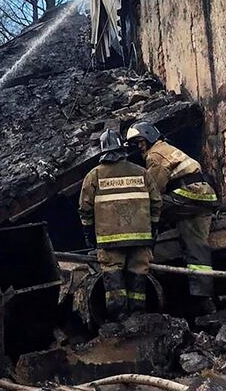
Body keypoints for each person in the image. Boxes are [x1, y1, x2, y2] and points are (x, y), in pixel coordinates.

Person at [125, 121, 219, 314]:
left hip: (189, 195)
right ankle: (203, 299)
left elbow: (153, 191)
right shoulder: (166, 149)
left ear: (150, 136)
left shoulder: (155, 155)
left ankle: (142, 247)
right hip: (203, 197)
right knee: (196, 247)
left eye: (140, 141)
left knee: (148, 206)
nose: (139, 147)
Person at [79, 130, 161, 320]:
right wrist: (153, 228)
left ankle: (119, 319)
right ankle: (139, 317)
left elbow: (84, 209)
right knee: (138, 276)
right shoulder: (142, 173)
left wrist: (89, 233)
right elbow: (156, 202)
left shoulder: (94, 176)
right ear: (122, 149)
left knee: (113, 278)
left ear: (102, 151)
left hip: (109, 242)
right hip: (140, 239)